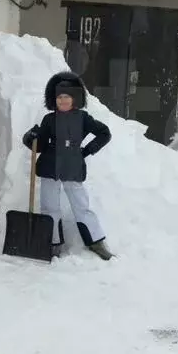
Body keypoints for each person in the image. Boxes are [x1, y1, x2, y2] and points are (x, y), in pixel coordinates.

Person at [22, 71, 114, 260]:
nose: (63, 101)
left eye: (67, 97)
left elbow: (104, 133)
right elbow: (41, 146)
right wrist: (30, 138)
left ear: (75, 98)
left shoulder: (83, 118)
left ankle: (95, 241)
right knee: (50, 208)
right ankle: (53, 243)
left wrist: (86, 151)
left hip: (72, 167)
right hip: (50, 167)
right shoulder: (49, 119)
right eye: (59, 97)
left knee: (81, 206)